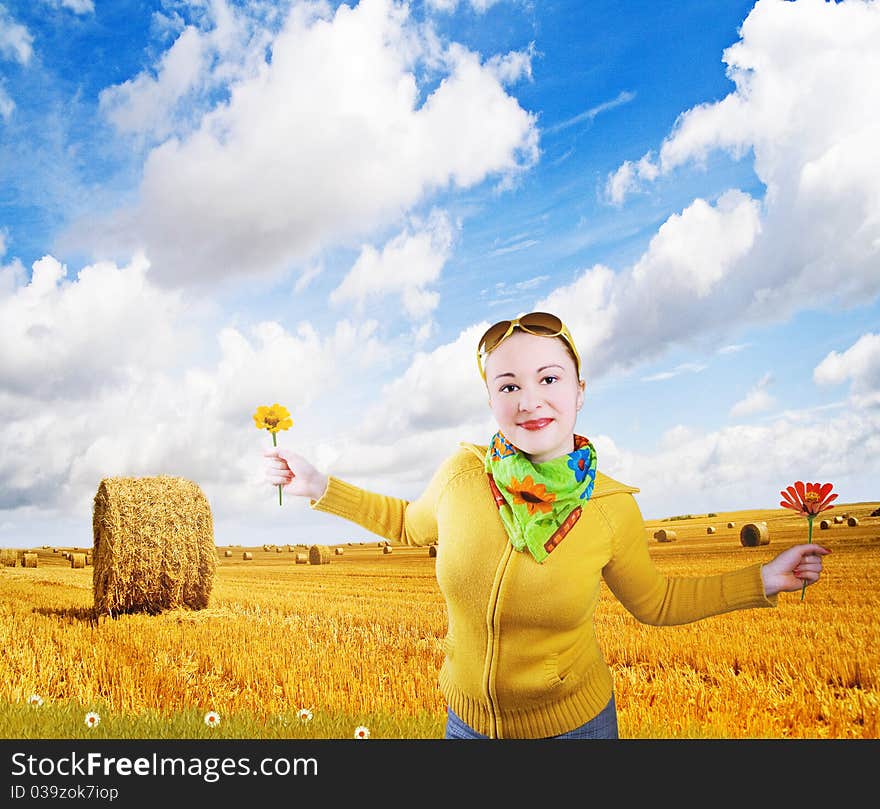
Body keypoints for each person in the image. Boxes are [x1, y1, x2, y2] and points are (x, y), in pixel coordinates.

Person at [262, 311, 830, 740]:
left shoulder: (609, 506)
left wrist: (764, 580)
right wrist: (319, 487)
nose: (529, 400)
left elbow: (658, 602)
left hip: (573, 729)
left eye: (549, 379)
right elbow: (408, 524)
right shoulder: (463, 475)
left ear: (580, 392)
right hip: (465, 727)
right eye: (508, 385)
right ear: (491, 399)